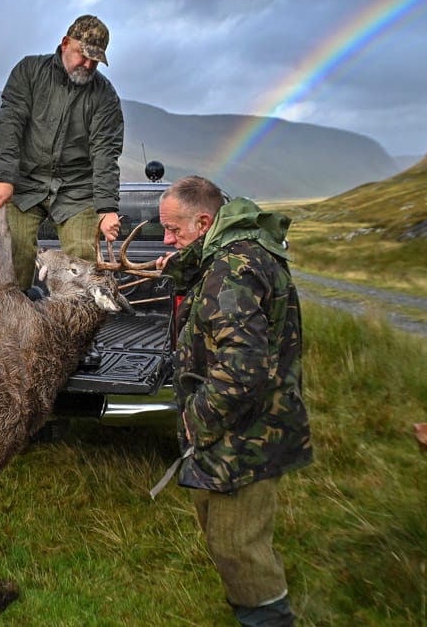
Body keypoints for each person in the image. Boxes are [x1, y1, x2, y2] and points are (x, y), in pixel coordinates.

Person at [155, 175, 313, 627]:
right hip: (243, 425)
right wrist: (183, 264)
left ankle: (268, 617)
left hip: (245, 431)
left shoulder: (233, 269)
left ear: (204, 222)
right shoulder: (231, 256)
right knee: (226, 535)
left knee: (237, 545)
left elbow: (243, 370)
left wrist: (195, 419)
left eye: (173, 230)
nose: (166, 239)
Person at [0, 14, 124, 290]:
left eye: (95, 61)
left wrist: (107, 209)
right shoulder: (29, 72)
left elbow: (105, 153)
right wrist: (4, 177)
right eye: (83, 55)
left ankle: (78, 318)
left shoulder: (105, 97)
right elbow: (10, 125)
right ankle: (11, 315)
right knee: (13, 256)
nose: (88, 65)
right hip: (25, 183)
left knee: (83, 261)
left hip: (76, 190)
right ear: (65, 43)